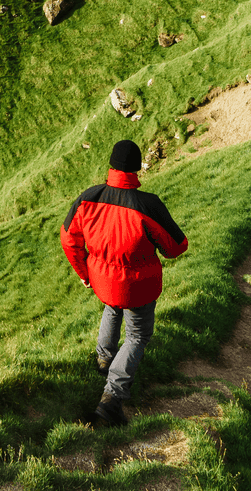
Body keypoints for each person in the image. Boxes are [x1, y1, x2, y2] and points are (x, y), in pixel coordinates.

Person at [59, 140, 187, 426]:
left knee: (112, 306)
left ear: (111, 165)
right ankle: (111, 400)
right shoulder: (148, 205)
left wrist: (84, 273)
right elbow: (177, 247)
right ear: (137, 169)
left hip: (102, 280)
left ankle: (104, 360)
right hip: (138, 285)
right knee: (137, 336)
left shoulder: (88, 198)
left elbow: (68, 238)